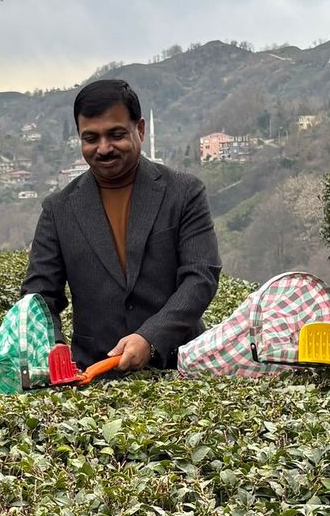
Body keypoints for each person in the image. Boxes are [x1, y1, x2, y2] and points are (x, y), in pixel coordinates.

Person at [22, 79, 221, 373]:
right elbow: (39, 298)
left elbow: (201, 276)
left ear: (139, 129)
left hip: (181, 370)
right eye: (91, 138)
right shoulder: (59, 209)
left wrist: (150, 337)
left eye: (116, 135)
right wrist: (56, 359)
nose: (103, 148)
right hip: (95, 376)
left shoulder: (184, 192)